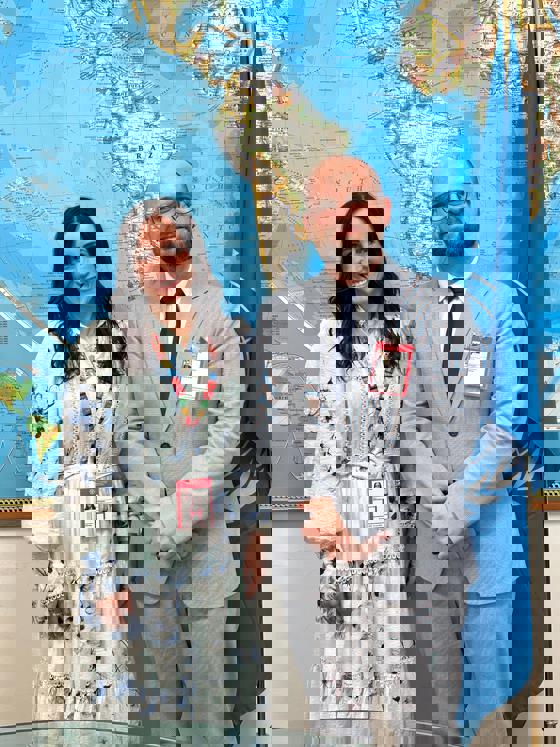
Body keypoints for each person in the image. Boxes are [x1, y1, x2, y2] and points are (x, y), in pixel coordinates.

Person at [404, 152, 534, 746]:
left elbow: (509, 424)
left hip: (487, 526)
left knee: (486, 697)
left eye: (458, 203)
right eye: (438, 205)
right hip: (430, 528)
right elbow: (407, 415)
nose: (448, 215)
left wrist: (459, 504)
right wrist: (435, 498)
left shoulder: (504, 303)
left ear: (475, 213)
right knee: (432, 697)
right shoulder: (416, 305)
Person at [114, 198, 243, 746]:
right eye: (146, 254)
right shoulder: (129, 333)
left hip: (206, 536)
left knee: (209, 699)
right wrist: (157, 511)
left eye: (169, 251)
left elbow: (227, 428)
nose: (159, 265)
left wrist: (183, 512)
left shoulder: (218, 326)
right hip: (147, 539)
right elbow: (127, 430)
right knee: (157, 700)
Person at [303, 188, 417, 746]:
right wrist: (323, 508)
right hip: (339, 515)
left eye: (370, 247)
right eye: (349, 250)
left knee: (394, 660)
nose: (360, 262)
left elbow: (410, 433)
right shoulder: (327, 339)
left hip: (392, 513)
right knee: (343, 656)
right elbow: (321, 439)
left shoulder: (400, 342)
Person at [29, 202, 129, 724]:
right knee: (64, 636)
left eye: (92, 252)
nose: (84, 265)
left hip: (116, 514)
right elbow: (41, 439)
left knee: (112, 635)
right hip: (65, 509)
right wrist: (44, 517)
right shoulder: (48, 348)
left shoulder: (123, 343)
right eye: (74, 254)